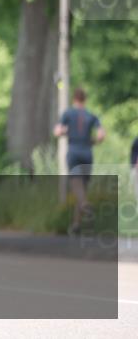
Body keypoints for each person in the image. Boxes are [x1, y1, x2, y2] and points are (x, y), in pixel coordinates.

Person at [52, 87, 105, 234]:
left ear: (74, 98)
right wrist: (92, 141)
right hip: (87, 153)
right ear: (85, 99)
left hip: (74, 152)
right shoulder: (91, 115)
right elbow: (101, 135)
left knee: (76, 185)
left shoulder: (68, 113)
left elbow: (57, 131)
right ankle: (76, 225)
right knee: (82, 189)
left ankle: (85, 204)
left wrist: (67, 131)